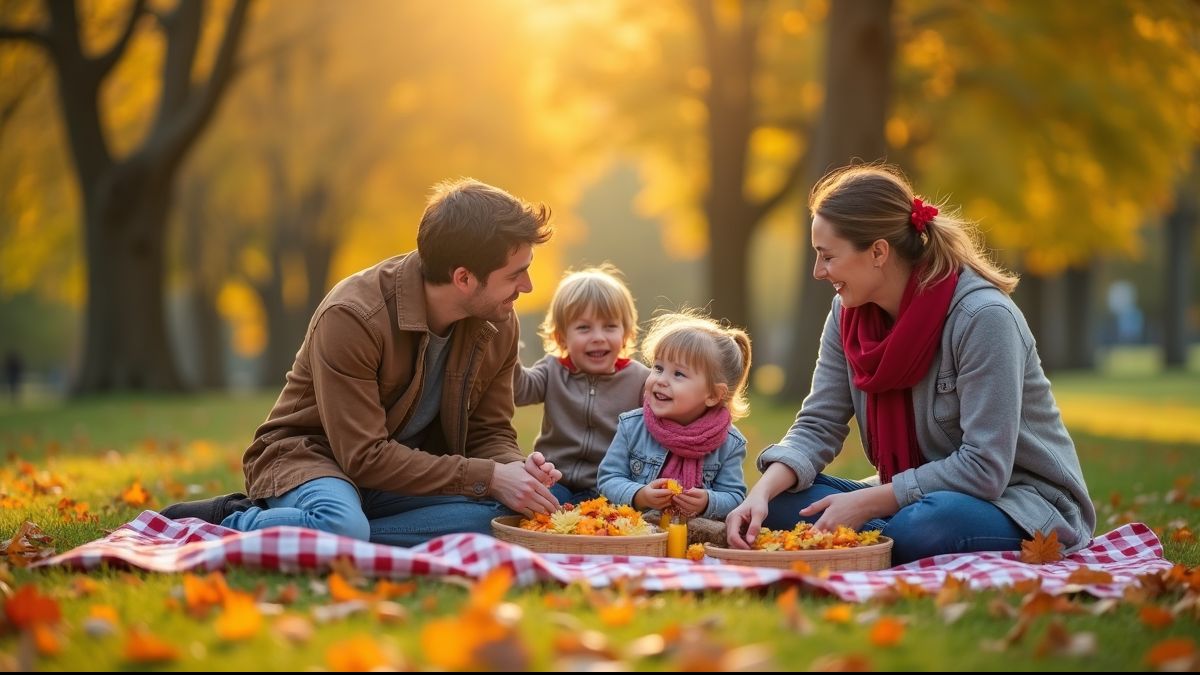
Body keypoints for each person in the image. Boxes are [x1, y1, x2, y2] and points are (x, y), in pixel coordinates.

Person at [725, 164, 1096, 565]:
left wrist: (869, 503)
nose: (818, 272)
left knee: (924, 526)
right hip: (908, 497)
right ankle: (874, 539)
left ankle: (870, 538)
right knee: (781, 507)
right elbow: (818, 424)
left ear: (879, 252)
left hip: (1017, 502)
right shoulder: (846, 314)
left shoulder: (983, 317)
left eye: (827, 256)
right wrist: (761, 493)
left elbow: (985, 468)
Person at [162, 178, 563, 545]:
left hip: (405, 474)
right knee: (339, 523)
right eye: (516, 274)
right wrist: (489, 477)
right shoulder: (354, 316)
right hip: (314, 458)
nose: (526, 287)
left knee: (515, 514)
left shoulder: (496, 319)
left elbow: (489, 430)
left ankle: (328, 529)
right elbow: (364, 456)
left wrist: (516, 472)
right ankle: (224, 523)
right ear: (463, 278)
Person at [597, 311, 751, 542]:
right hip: (637, 534)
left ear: (712, 395)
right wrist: (641, 495)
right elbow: (608, 478)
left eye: (678, 374)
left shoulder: (728, 442)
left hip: (697, 535)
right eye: (658, 368)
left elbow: (735, 495)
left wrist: (708, 501)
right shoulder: (632, 426)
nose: (661, 380)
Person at [513, 264, 650, 505]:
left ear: (626, 333)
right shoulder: (553, 369)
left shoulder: (639, 380)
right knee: (533, 508)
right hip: (554, 480)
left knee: (611, 523)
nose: (598, 336)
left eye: (610, 326)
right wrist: (507, 348)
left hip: (610, 485)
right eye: (584, 327)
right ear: (561, 337)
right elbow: (519, 390)